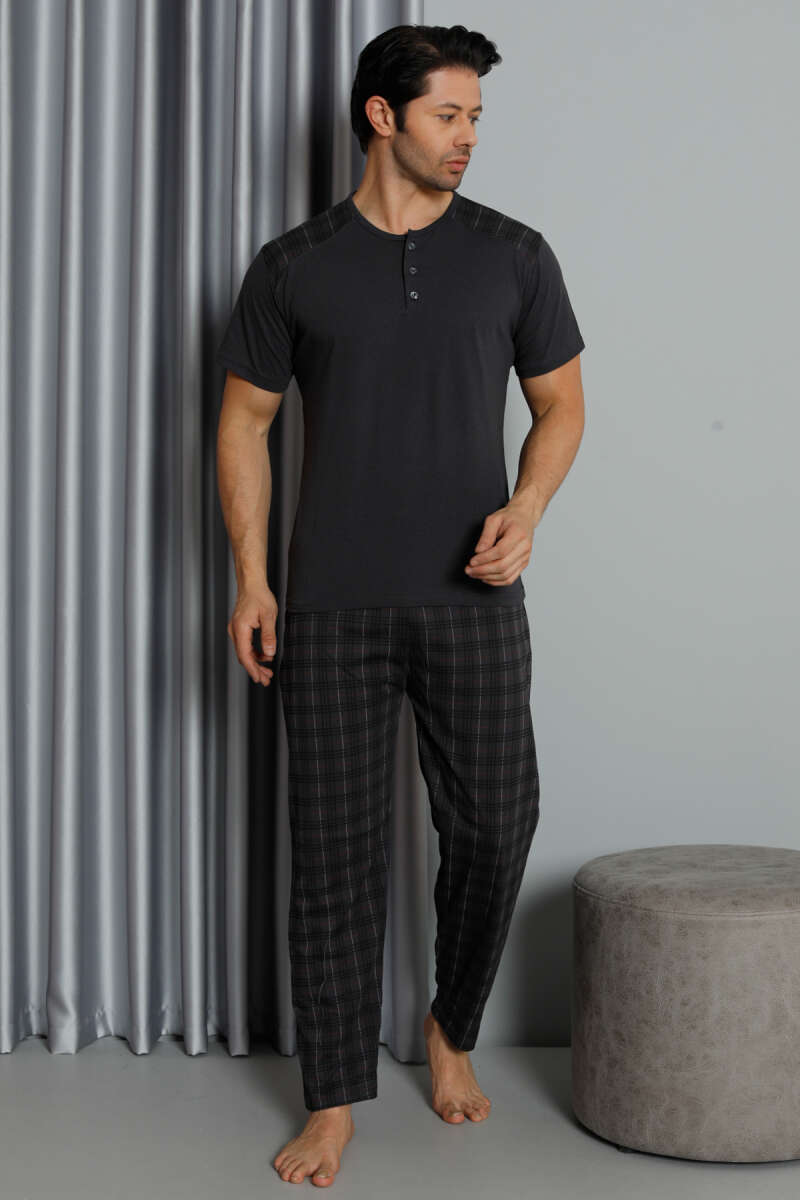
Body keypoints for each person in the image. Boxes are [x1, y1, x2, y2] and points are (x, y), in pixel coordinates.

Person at [215, 22, 585, 1189]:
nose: (467, 136)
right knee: (332, 858)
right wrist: (251, 577)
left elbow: (561, 406)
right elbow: (242, 424)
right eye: (447, 114)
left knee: (495, 827)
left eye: (475, 117)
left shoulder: (513, 255)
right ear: (382, 116)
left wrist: (526, 505)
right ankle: (332, 1100)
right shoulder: (292, 266)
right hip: (329, 609)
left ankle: (449, 1025)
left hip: (471, 600)